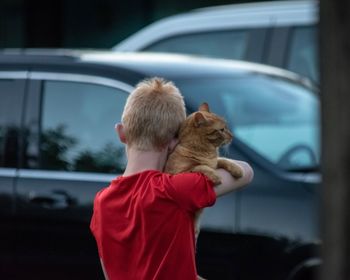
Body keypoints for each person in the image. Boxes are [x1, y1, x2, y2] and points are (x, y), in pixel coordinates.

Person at [90, 77, 254, 280]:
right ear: (174, 140)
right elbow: (245, 172)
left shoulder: (102, 202)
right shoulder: (176, 190)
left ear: (121, 133)